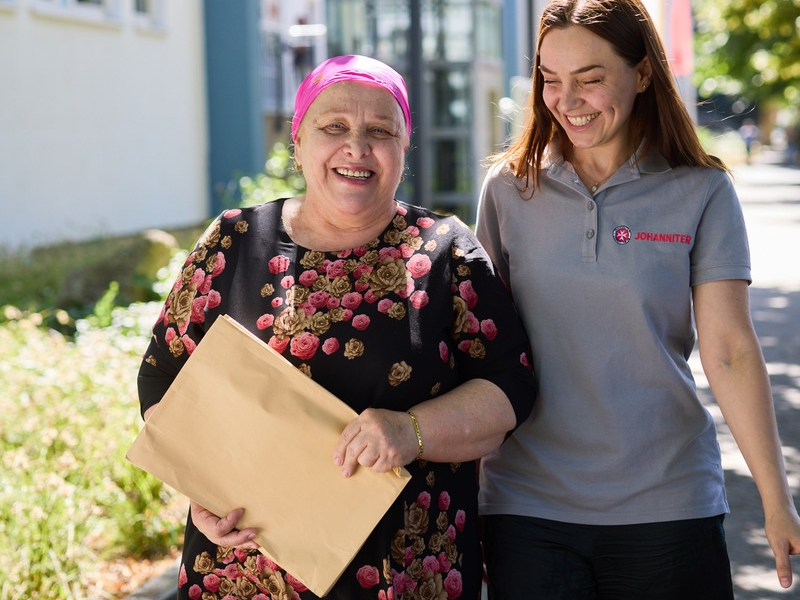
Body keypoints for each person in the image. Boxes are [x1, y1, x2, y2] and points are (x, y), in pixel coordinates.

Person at [137, 54, 535, 600]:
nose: (357, 147)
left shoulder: (446, 252)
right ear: (298, 143)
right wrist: (202, 490)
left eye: (380, 131)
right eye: (334, 127)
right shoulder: (234, 243)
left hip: (407, 575)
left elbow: (509, 389)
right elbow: (163, 377)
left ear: (402, 149)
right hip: (245, 574)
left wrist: (411, 430)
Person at [475, 1, 800, 598]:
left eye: (591, 80)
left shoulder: (702, 189)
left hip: (668, 503)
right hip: (527, 503)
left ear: (644, 72)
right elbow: (480, 351)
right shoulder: (508, 188)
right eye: (551, 80)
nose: (567, 100)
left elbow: (728, 351)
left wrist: (777, 502)